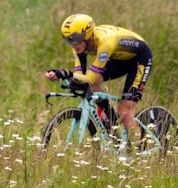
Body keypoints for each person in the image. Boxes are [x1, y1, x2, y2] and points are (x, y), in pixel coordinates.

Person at [45, 14, 152, 143]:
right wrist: (60, 75)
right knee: (91, 85)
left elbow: (88, 77)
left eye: (76, 38)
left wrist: (68, 73)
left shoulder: (105, 42)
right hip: (118, 58)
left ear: (88, 34)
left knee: (124, 110)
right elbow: (81, 78)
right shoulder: (78, 46)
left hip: (139, 59)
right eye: (68, 39)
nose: (73, 44)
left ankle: (140, 150)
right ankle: (111, 121)